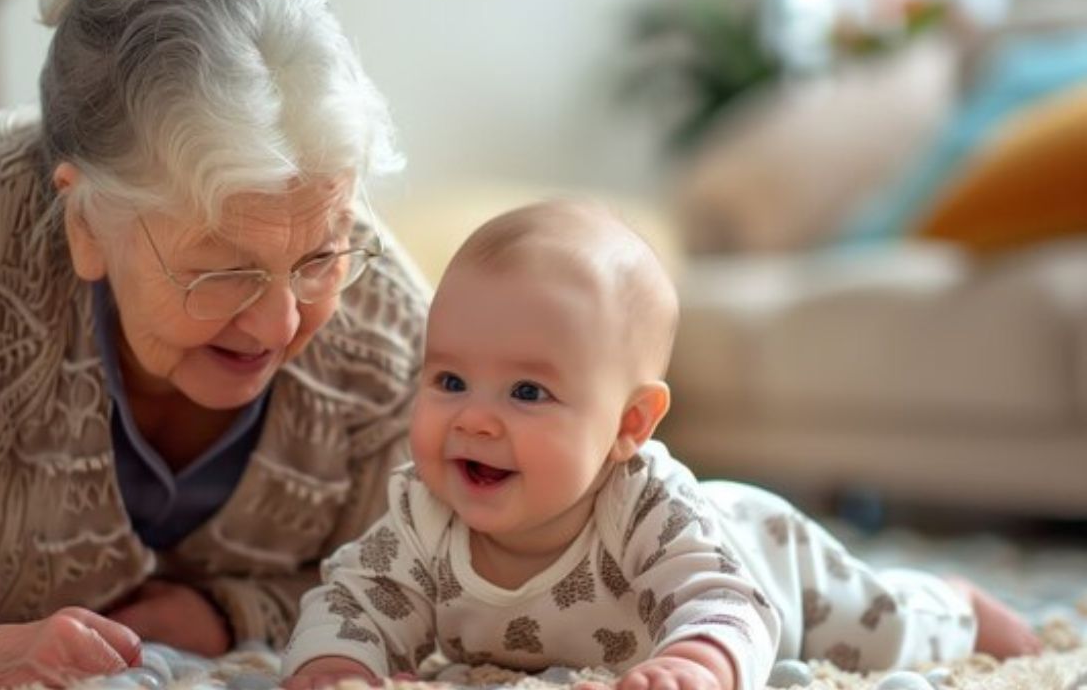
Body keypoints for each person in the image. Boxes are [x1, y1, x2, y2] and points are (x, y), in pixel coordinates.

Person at [0, 0, 428, 687]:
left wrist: (237, 613)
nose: (281, 323)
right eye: (223, 269)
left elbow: (446, 587)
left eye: (318, 257)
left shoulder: (382, 318)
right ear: (86, 222)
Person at [280, 201, 1042, 690]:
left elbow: (727, 601)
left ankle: (959, 601)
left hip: (766, 558)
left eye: (526, 393)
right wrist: (337, 666)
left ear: (630, 427)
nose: (474, 421)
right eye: (448, 380)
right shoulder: (424, 512)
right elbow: (355, 600)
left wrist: (698, 663)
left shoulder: (644, 505)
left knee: (876, 629)